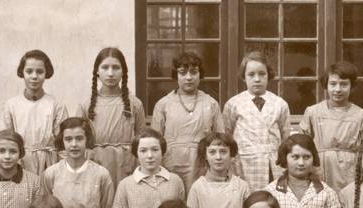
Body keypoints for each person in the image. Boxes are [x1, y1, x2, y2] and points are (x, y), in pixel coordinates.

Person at [150, 51, 225, 191]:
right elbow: (154, 142)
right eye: (183, 73)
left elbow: (221, 139)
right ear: (176, 75)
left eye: (194, 72)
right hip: (170, 165)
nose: (189, 77)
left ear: (200, 74)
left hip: (200, 165)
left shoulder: (211, 103)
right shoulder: (164, 104)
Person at [298, 61, 363, 191]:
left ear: (352, 86)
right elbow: (301, 144)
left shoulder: (361, 116)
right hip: (319, 170)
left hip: (350, 174)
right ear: (326, 85)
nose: (338, 89)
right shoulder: (313, 112)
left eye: (344, 84)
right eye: (333, 84)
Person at [77, 47, 146, 187]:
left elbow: (142, 138)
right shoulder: (86, 104)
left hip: (126, 164)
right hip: (96, 163)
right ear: (97, 71)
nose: (110, 73)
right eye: (105, 67)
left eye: (116, 68)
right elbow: (78, 138)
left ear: (123, 72)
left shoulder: (135, 104)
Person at [223, 51, 290, 190]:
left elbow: (285, 138)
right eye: (251, 74)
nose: (257, 79)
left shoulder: (279, 104)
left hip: (271, 165)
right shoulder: (234, 104)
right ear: (244, 77)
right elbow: (227, 136)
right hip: (244, 163)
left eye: (262, 74)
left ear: (268, 75)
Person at [3, 49, 69, 175]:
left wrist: (62, 172)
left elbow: (63, 143)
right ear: (22, 73)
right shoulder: (11, 105)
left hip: (49, 164)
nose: (34, 76)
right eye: (29, 71)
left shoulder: (55, 105)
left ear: (46, 73)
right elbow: (6, 140)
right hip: (20, 164)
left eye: (39, 72)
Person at [186, 132, 251, 208]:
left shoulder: (242, 186)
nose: (218, 157)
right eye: (212, 152)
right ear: (205, 156)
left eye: (223, 151)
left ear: (231, 155)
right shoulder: (198, 188)